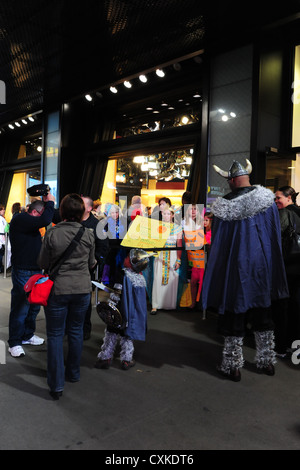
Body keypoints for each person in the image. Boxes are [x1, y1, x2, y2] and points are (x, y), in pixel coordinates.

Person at [201, 159, 289, 382]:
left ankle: (233, 367)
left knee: (234, 314)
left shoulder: (222, 207)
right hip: (260, 268)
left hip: (234, 269)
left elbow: (219, 246)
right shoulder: (267, 201)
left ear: (231, 180)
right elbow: (273, 237)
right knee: (263, 313)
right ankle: (267, 361)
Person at [38, 194, 96, 400]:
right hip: (81, 289)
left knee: (54, 334)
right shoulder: (88, 233)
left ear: (62, 212)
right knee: (76, 331)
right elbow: (92, 263)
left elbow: (43, 262)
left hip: (58, 289)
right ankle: (73, 373)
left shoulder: (52, 233)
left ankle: (56, 385)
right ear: (81, 212)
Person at [8, 193, 55, 358]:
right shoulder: (20, 219)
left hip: (36, 270)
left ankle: (27, 335)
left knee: (34, 306)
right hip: (23, 270)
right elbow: (46, 220)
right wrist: (51, 202)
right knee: (21, 307)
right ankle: (14, 342)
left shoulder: (31, 224)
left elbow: (46, 220)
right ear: (36, 213)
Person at [95, 249, 149, 370]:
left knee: (111, 333)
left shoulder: (122, 274)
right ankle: (126, 360)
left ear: (131, 262)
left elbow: (116, 294)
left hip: (118, 310)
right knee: (127, 336)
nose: (124, 259)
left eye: (127, 258)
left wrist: (110, 307)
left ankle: (106, 357)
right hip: (131, 313)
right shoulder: (140, 279)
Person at [274, 186, 300, 356]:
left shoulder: (285, 214)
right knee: (296, 306)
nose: (276, 201)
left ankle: (281, 346)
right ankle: (294, 344)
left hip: (287, 266)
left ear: (289, 198)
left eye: (278, 198)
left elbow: (276, 237)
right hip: (298, 267)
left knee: (282, 307)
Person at [81, 195, 109, 340]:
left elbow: (103, 247)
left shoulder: (97, 225)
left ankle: (85, 329)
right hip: (70, 270)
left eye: (83, 203)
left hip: (87, 270)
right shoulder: (72, 221)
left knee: (85, 301)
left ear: (90, 208)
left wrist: (96, 260)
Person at [150, 206, 182, 314]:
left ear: (172, 215)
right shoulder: (157, 227)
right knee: (157, 278)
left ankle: (169, 304)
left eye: (169, 214)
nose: (166, 216)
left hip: (172, 254)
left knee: (173, 278)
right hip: (160, 255)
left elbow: (179, 244)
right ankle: (155, 305)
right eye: (164, 214)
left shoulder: (177, 227)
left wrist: (178, 259)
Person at [177, 204, 205, 309]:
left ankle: (201, 303)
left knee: (200, 280)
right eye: (191, 209)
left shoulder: (202, 222)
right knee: (190, 280)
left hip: (200, 256)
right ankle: (190, 302)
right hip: (187, 254)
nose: (193, 211)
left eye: (195, 209)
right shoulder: (183, 222)